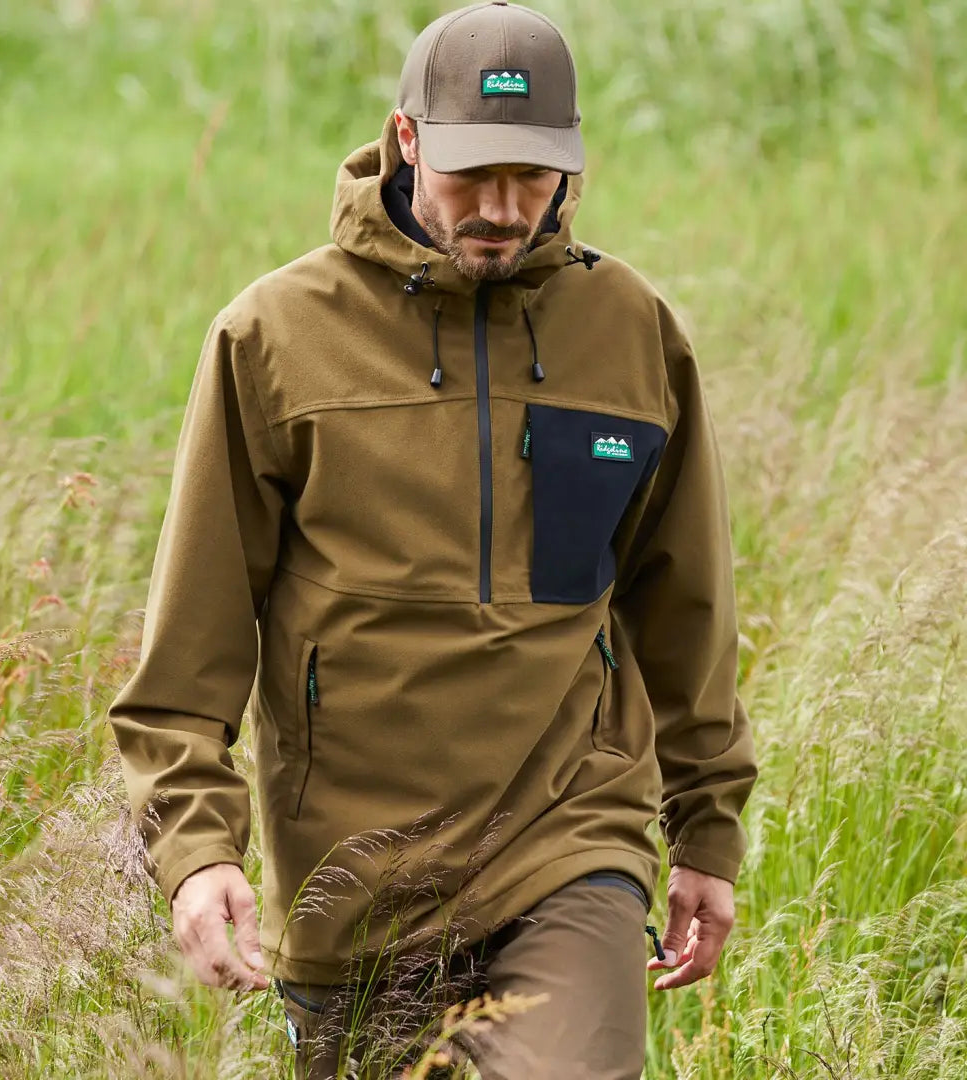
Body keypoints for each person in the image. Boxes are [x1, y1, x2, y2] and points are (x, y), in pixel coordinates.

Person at [107, 2, 759, 1076]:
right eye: (474, 176)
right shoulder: (273, 338)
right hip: (353, 878)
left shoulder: (631, 331)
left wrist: (707, 832)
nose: (504, 210)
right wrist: (194, 850)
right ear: (407, 139)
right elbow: (194, 639)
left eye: (533, 178)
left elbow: (683, 604)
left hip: (569, 837)